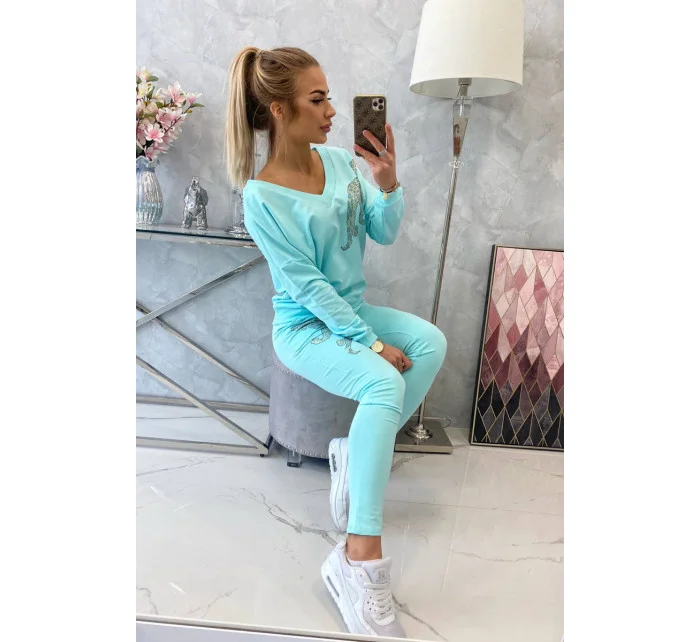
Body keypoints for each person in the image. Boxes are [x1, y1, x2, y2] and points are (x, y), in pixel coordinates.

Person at [225, 46, 447, 638]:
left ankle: (352, 451)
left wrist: (388, 184)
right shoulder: (261, 197)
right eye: (317, 99)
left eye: (329, 98)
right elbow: (308, 287)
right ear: (279, 109)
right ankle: (358, 558)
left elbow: (384, 231)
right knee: (384, 382)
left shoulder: (341, 162)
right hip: (305, 327)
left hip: (351, 313)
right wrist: (370, 345)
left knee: (429, 343)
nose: (331, 111)